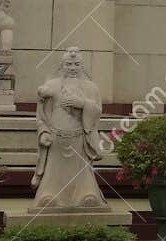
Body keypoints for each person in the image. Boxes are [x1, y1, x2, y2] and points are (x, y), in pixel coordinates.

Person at [31, 47, 108, 211]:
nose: (73, 68)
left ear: (82, 66)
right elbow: (41, 116)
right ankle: (50, 196)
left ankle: (86, 195)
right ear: (62, 66)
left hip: (79, 139)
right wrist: (43, 132)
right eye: (68, 64)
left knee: (82, 175)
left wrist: (82, 104)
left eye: (77, 64)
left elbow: (97, 112)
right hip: (56, 139)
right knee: (53, 174)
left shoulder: (91, 88)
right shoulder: (50, 86)